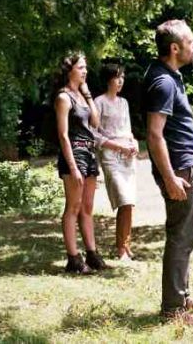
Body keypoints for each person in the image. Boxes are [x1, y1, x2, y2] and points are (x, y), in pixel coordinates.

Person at [143, 19, 193, 324]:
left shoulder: (170, 77)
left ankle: (181, 296)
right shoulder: (163, 82)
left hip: (185, 164)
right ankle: (172, 308)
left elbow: (172, 132)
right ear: (175, 48)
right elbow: (154, 134)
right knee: (181, 237)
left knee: (188, 236)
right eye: (190, 41)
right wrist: (171, 176)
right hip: (177, 171)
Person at [54, 52, 110, 274]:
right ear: (70, 70)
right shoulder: (63, 98)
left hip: (89, 152)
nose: (85, 71)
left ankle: (92, 253)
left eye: (85, 67)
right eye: (81, 67)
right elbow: (63, 135)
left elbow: (95, 122)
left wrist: (87, 94)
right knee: (73, 207)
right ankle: (73, 258)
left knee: (87, 207)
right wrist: (73, 167)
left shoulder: (81, 95)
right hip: (73, 154)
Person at [94, 63, 139, 261]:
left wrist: (134, 142)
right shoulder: (99, 102)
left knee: (129, 203)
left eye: (123, 77)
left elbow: (128, 130)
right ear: (108, 80)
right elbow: (94, 136)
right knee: (123, 199)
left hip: (128, 157)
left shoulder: (124, 103)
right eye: (117, 77)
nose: (120, 80)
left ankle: (125, 247)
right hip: (111, 157)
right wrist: (118, 147)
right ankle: (121, 249)